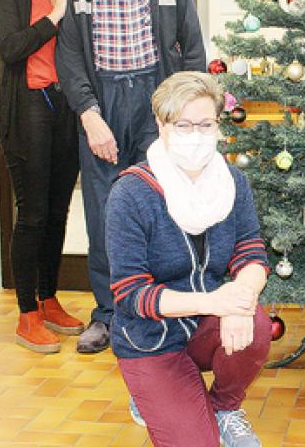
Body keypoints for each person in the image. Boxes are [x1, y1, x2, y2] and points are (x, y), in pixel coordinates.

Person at [56, 0, 206, 354]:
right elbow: (69, 54)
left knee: (163, 208)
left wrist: (183, 114)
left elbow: (192, 42)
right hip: (103, 102)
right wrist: (88, 114)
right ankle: (109, 314)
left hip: (155, 100)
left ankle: (166, 310)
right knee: (105, 214)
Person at [109, 72, 269, 447]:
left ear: (218, 125)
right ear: (161, 125)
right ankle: (150, 394)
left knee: (257, 324)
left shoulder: (231, 182)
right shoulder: (131, 194)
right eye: (183, 125)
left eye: (205, 124)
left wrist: (238, 300)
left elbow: (251, 251)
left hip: (204, 326)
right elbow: (131, 294)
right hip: (149, 340)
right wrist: (215, 301)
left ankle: (224, 407)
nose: (195, 135)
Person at [0, 0, 84, 354]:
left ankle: (49, 298)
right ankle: (27, 312)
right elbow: (10, 49)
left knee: (57, 210)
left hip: (66, 105)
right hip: (27, 104)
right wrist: (55, 15)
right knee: (30, 214)